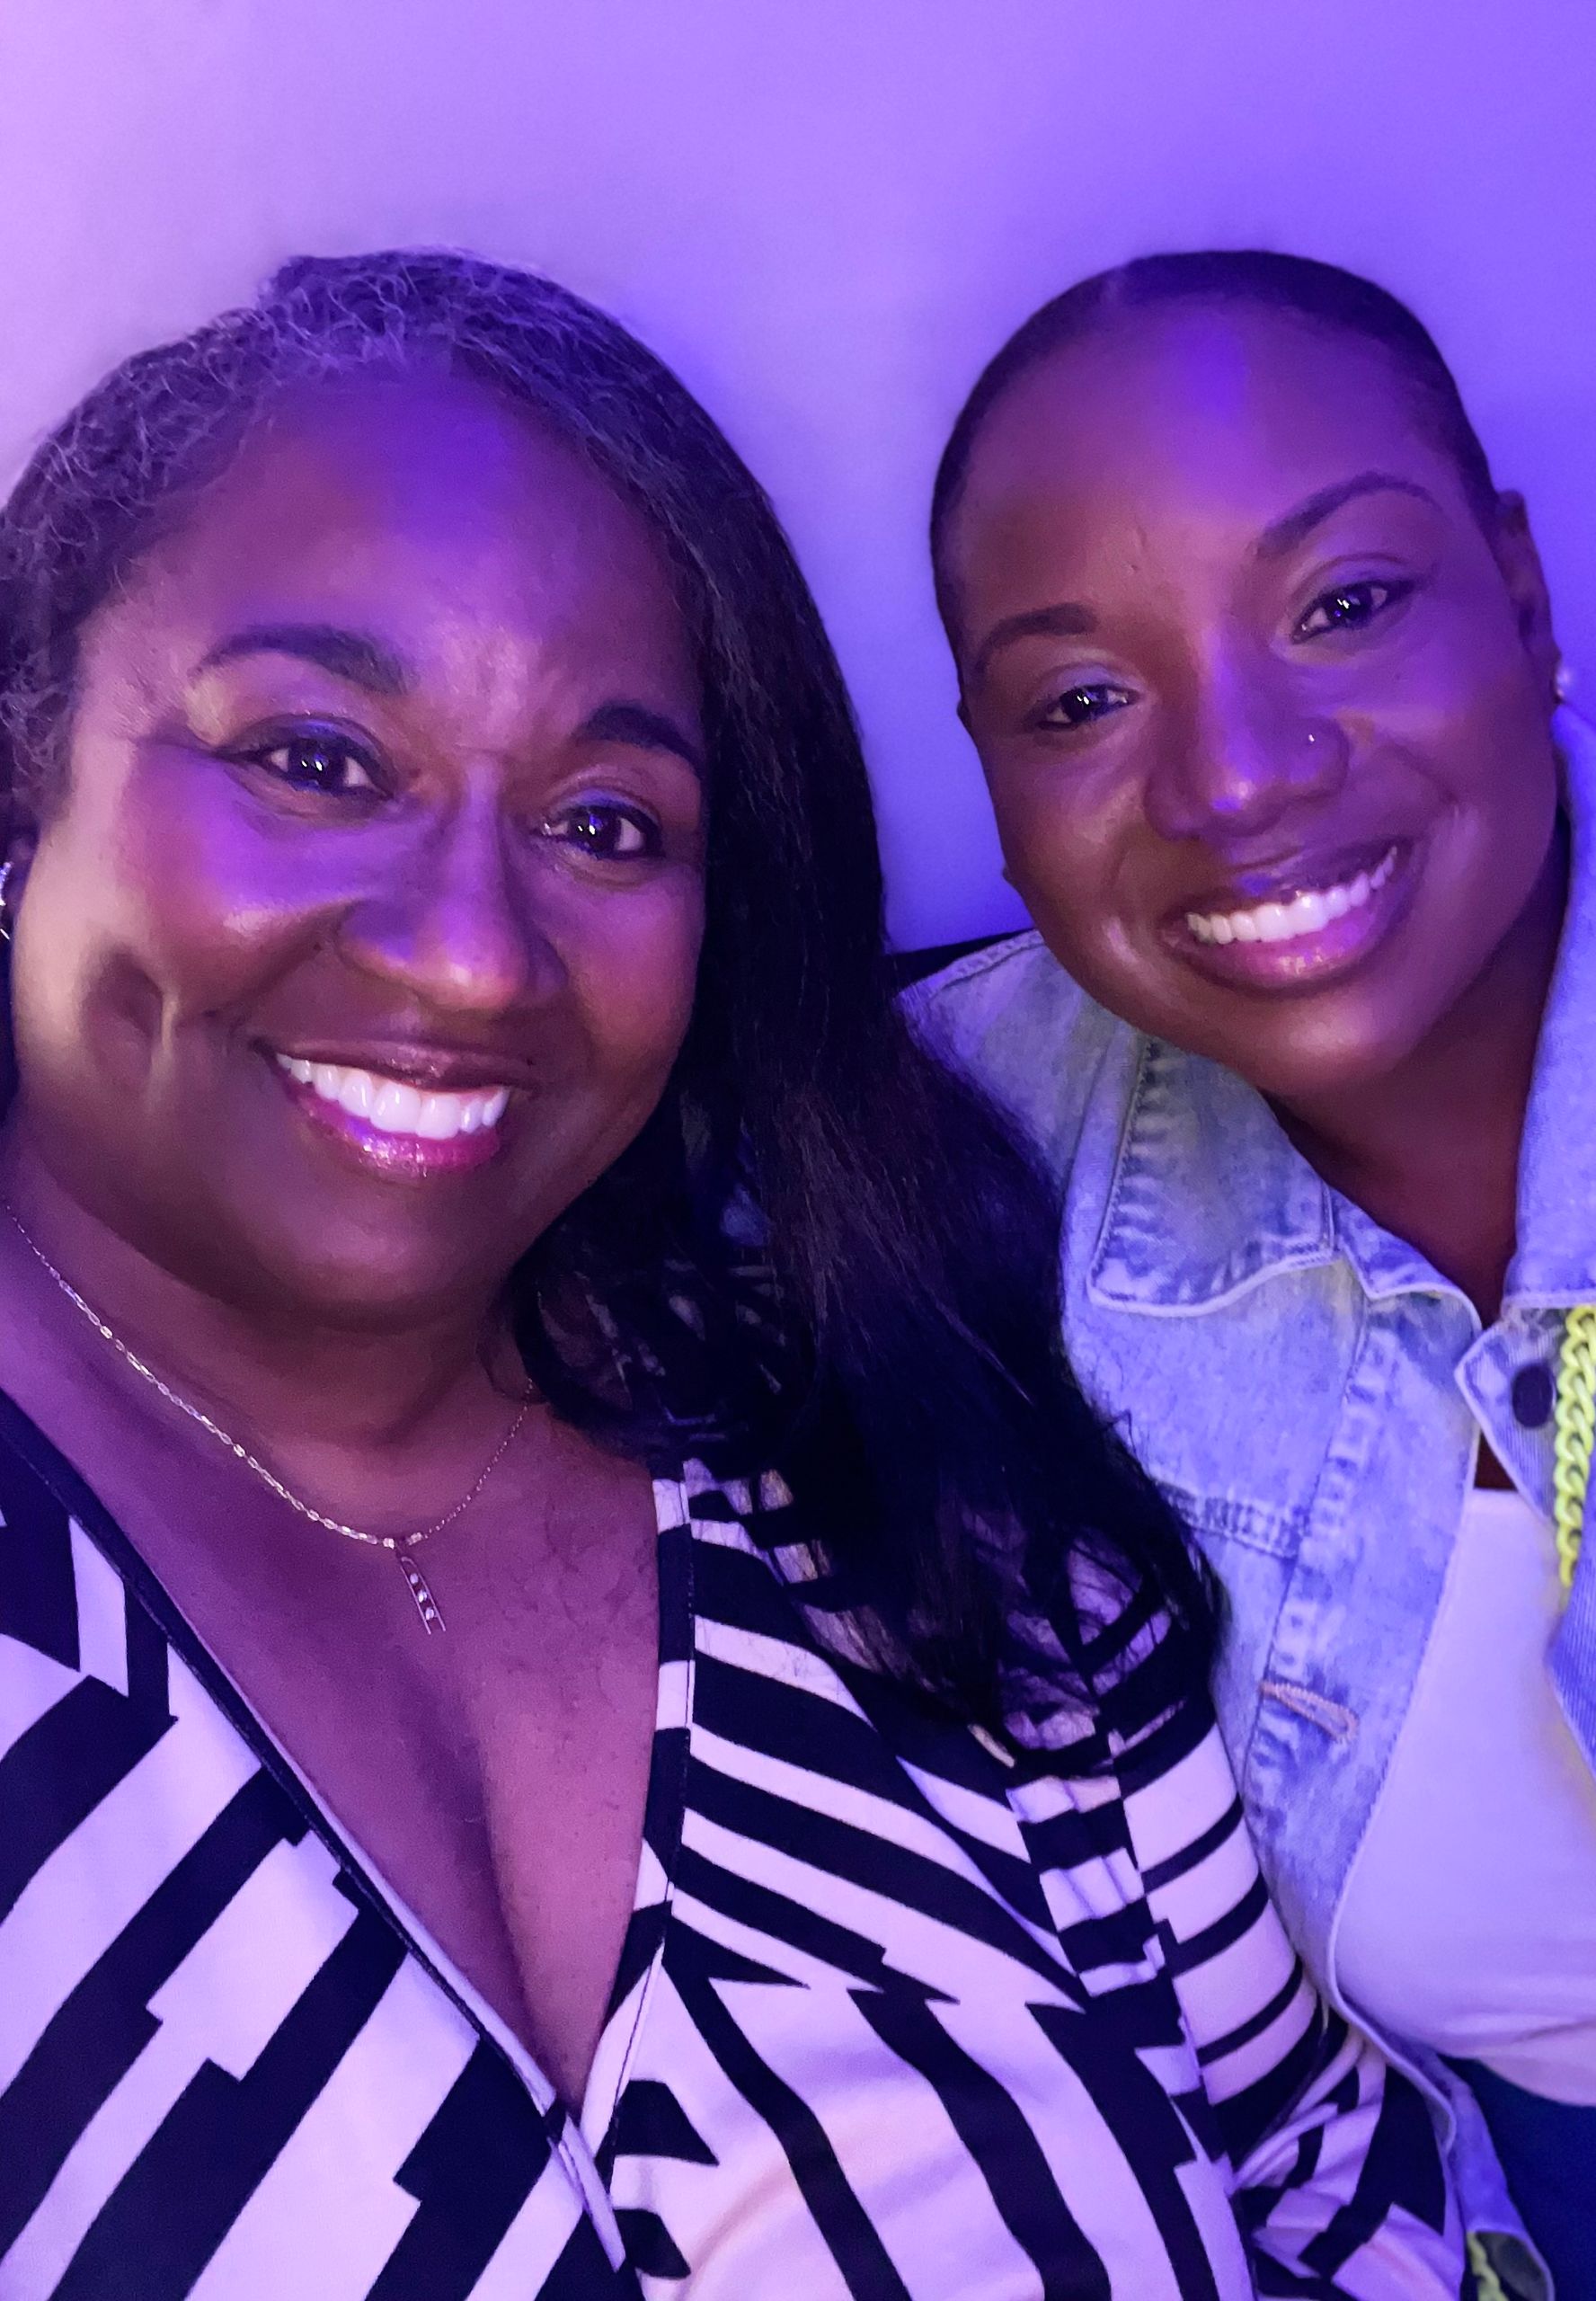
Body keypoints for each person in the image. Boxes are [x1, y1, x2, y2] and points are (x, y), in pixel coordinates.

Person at [0, 251, 1458, 2300]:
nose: (472, 953)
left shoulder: (886, 1445)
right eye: (319, 760)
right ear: (25, 775)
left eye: (606, 821)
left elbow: (1330, 2184)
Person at [913, 246, 1596, 2299]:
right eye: (1083, 699)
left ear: (1523, 598)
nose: (1239, 777)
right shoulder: (968, 1138)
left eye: (1344, 605)